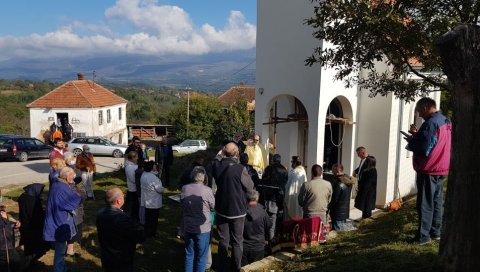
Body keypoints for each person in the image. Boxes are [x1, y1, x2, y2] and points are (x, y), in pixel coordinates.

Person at [405, 97, 451, 245]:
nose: (419, 114)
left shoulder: (430, 123)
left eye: (419, 111)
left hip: (429, 168)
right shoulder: (446, 120)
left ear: (425, 107)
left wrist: (412, 141)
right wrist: (418, 135)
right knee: (437, 201)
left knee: (425, 204)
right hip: (442, 167)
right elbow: (434, 142)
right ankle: (435, 232)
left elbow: (424, 148)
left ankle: (423, 237)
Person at [212, 142, 254, 272]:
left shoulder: (216, 166)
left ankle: (223, 267)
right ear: (237, 154)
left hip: (221, 208)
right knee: (237, 241)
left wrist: (221, 152)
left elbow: (216, 159)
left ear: (224, 152)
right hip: (237, 210)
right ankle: (236, 267)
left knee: (223, 239)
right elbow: (250, 187)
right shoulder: (241, 169)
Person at [96, 187, 145, 272]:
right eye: (123, 196)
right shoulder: (122, 219)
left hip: (106, 255)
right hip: (121, 258)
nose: (124, 197)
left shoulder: (100, 213)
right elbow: (139, 237)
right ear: (118, 201)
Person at [43, 167, 81, 272]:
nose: (73, 178)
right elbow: (72, 202)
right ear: (66, 176)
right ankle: (59, 269)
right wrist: (80, 195)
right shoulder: (61, 187)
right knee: (60, 249)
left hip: (57, 218)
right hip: (59, 220)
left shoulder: (58, 184)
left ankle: (62, 267)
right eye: (72, 176)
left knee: (61, 248)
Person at [181, 166, 215, 272]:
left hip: (188, 225)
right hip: (203, 228)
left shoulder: (185, 188)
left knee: (189, 254)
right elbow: (213, 206)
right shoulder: (208, 190)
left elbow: (182, 204)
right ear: (204, 177)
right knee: (202, 256)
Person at [257, 154, 287, 240]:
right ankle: (275, 238)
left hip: (270, 197)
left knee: (270, 220)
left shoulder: (269, 168)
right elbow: (285, 182)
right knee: (277, 219)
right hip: (280, 197)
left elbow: (263, 180)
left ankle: (270, 240)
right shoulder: (284, 170)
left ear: (273, 160)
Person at [18, 183, 50, 263]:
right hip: (33, 226)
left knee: (28, 245)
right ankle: (31, 261)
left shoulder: (22, 197)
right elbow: (36, 214)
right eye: (39, 191)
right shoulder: (33, 201)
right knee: (35, 245)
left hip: (25, 224)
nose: (40, 193)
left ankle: (29, 259)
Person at [242, 190, 272, 266]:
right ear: (257, 199)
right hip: (258, 247)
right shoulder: (263, 212)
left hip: (243, 247)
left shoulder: (241, 212)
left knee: (243, 268)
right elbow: (269, 225)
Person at [327, 163, 356, 231]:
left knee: (337, 232)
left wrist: (329, 210)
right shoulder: (348, 181)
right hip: (344, 211)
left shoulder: (338, 183)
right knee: (342, 231)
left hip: (337, 213)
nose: (332, 172)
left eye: (333, 170)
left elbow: (334, 200)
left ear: (337, 171)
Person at [140, 161, 164, 238]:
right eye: (154, 166)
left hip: (146, 200)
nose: (155, 167)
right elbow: (160, 189)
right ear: (151, 168)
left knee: (148, 217)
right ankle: (152, 233)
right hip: (154, 201)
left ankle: (147, 231)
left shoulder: (143, 175)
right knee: (153, 218)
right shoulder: (153, 178)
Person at [0, 206, 22, 272]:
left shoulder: (2, 211)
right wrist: (5, 220)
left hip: (7, 246)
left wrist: (15, 223)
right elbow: (4, 228)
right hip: (4, 248)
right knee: (15, 261)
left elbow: (8, 220)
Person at [124, 151, 140, 222]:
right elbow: (133, 179)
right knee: (133, 206)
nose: (137, 158)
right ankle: (131, 219)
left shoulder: (132, 165)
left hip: (134, 189)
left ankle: (133, 217)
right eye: (136, 157)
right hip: (133, 190)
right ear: (133, 158)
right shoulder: (130, 167)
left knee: (134, 206)